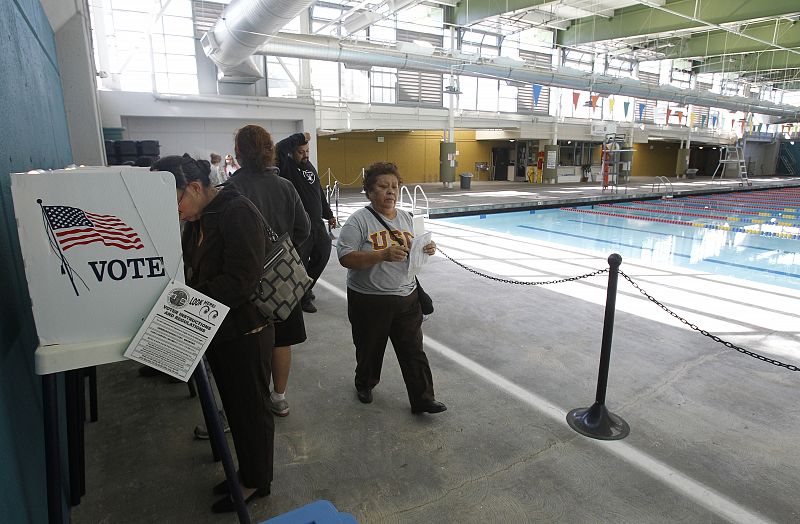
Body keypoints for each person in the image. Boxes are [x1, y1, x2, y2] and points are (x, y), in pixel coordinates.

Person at [150, 154, 274, 513]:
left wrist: (184, 302)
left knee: (251, 410)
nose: (176, 211)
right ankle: (246, 472)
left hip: (247, 330)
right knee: (234, 408)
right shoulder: (201, 216)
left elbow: (242, 279)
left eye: (175, 202)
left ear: (194, 187)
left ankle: (257, 481)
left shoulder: (237, 212)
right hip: (218, 328)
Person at [337, 162, 446, 414]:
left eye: (394, 187)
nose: (390, 192)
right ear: (369, 191)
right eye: (383, 186)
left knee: (413, 351)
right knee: (369, 349)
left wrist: (428, 248)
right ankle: (364, 383)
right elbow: (345, 258)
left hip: (407, 297)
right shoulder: (358, 222)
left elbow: (416, 249)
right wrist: (380, 255)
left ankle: (423, 399)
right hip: (369, 300)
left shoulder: (407, 218)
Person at [228, 125, 311, 418]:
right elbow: (304, 229)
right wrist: (284, 253)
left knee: (247, 345)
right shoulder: (285, 187)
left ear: (238, 154)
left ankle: (242, 405)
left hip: (244, 282)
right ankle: (279, 397)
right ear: (270, 151)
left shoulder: (230, 190)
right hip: (282, 279)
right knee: (281, 339)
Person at [276, 132, 336, 313]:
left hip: (317, 224)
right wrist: (299, 136)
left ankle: (305, 289)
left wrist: (329, 214)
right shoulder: (287, 167)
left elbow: (318, 192)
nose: (305, 154)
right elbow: (279, 148)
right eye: (301, 152)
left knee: (323, 255)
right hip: (300, 226)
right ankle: (301, 297)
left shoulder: (309, 166)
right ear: (292, 153)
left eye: (307, 151)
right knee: (300, 263)